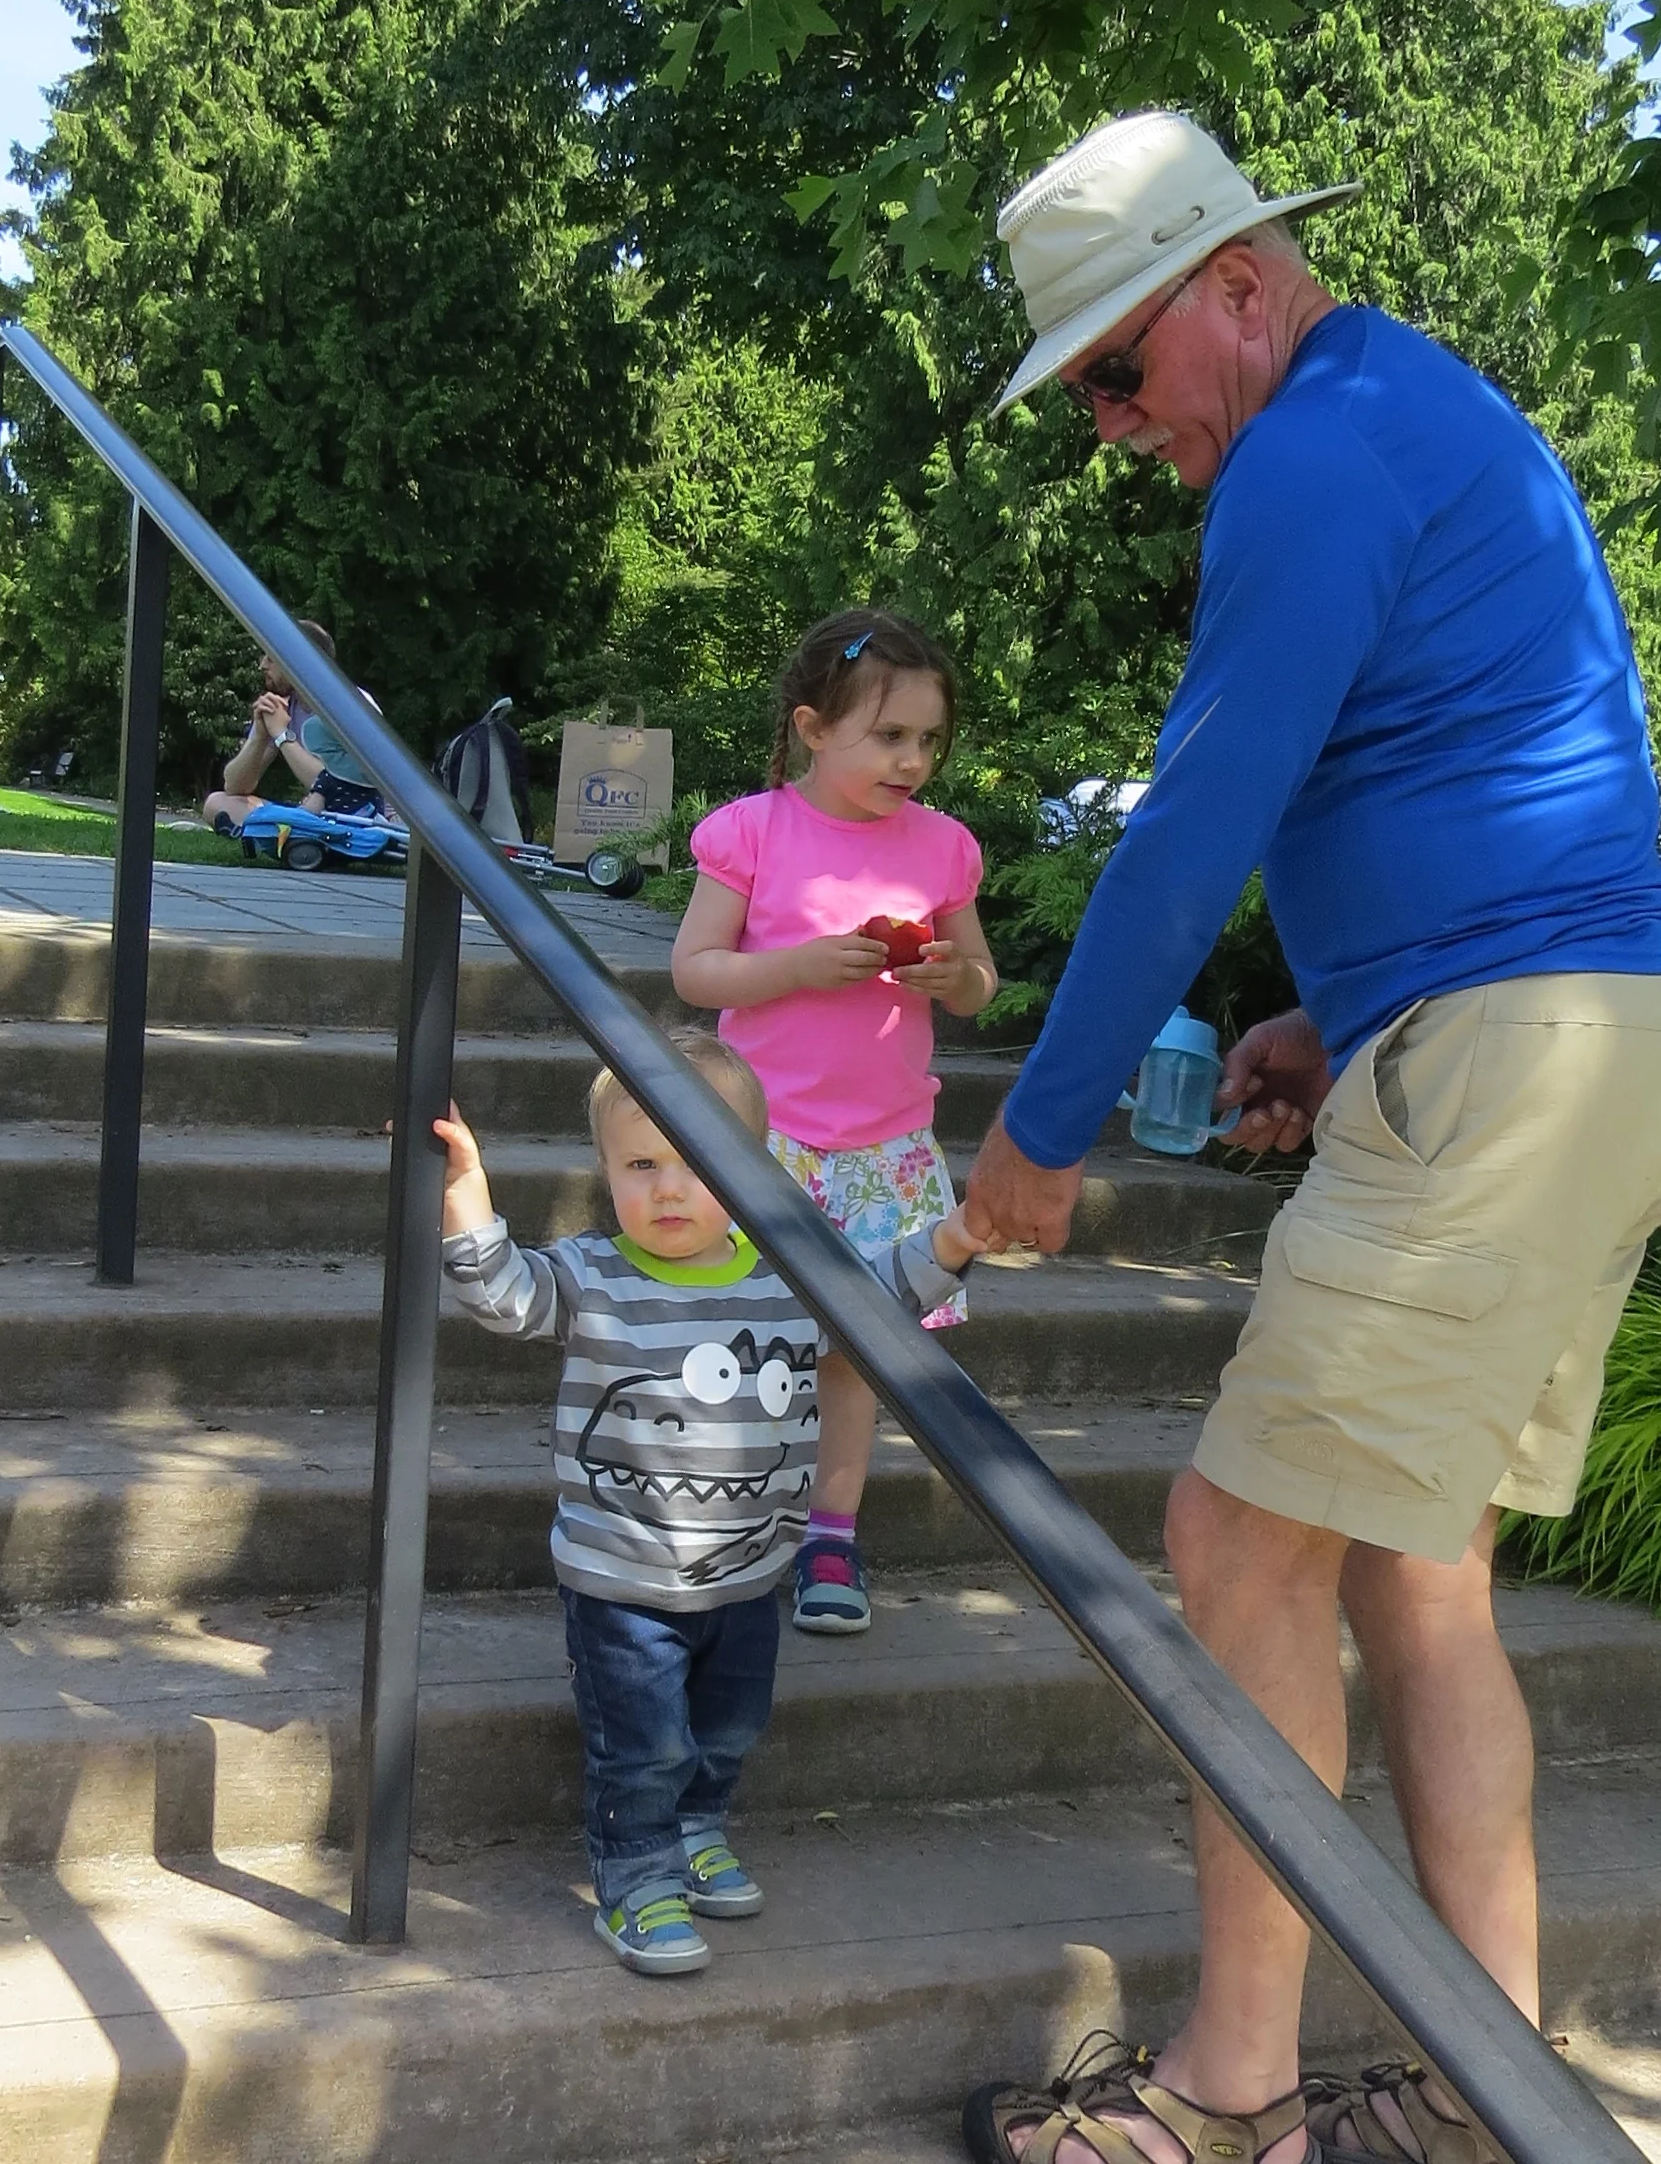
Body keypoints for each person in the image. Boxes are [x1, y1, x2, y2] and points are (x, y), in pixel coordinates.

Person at [958, 112, 1661, 2164]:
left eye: (1114, 366)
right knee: (1418, 1570)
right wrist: (1338, 1016)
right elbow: (1482, 770)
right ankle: (1478, 2090)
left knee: (1234, 1538)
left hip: (1504, 1056)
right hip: (1570, 1035)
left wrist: (1038, 1128)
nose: (1109, 424)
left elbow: (1189, 825)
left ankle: (1227, 2088)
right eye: (1082, 390)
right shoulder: (1408, 413)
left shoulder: (1309, 456)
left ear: (1240, 287)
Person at [438, 1031, 985, 1975]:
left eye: (696, 1162)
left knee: (728, 1727)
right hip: (622, 1581)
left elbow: (880, 1293)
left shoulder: (788, 1279)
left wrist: (959, 1235)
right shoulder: (592, 1274)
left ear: (754, 1167)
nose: (668, 1188)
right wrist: (466, 1191)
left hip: (748, 1575)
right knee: (642, 1745)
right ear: (606, 1171)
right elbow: (502, 1294)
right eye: (640, 1164)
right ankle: (635, 1877)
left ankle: (697, 1829)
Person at [670, 606, 999, 1638]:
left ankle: (829, 1535)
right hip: (760, 1141)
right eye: (889, 735)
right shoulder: (752, 831)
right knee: (734, 1331)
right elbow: (695, 971)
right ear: (813, 729)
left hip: (885, 1151)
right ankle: (719, 1512)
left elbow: (981, 982)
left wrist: (954, 976)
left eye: (928, 739)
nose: (913, 760)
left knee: (857, 1353)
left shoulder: (942, 847)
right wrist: (799, 968)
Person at [201, 620, 386, 831]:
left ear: (300, 661)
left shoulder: (351, 706)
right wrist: (260, 737)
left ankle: (284, 832)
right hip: (316, 812)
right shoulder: (283, 705)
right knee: (217, 804)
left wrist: (281, 735)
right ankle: (292, 832)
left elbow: (342, 788)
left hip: (362, 818)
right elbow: (234, 786)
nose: (262, 665)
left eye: (271, 658)